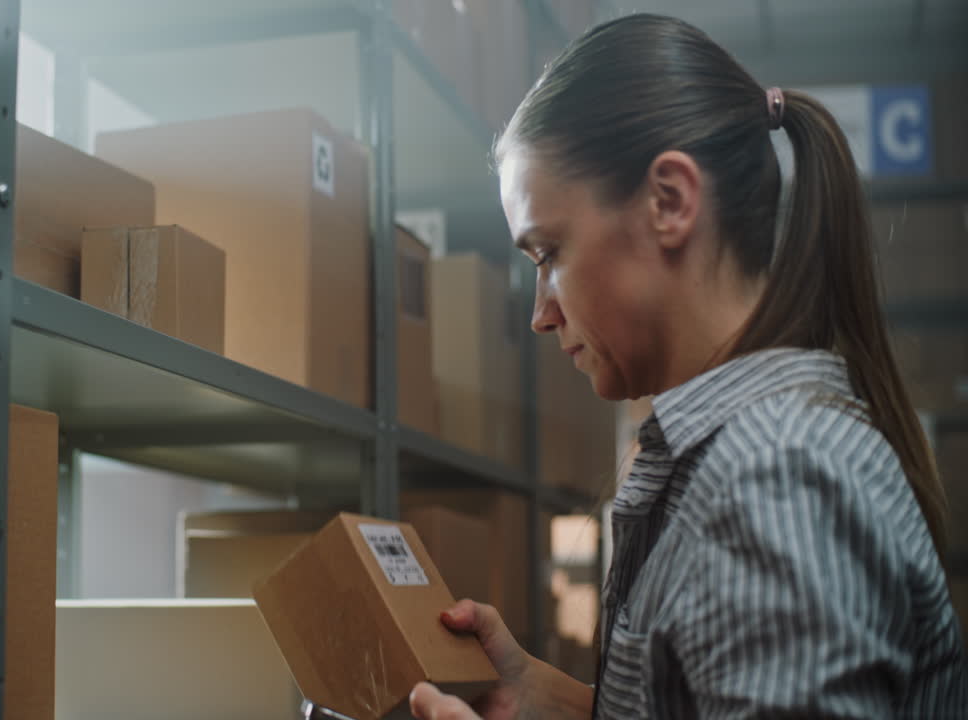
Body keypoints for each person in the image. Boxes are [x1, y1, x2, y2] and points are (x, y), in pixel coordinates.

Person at [408, 13, 967, 720]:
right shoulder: (743, 460)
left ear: (669, 200)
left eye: (549, 254)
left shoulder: (777, 478)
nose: (541, 314)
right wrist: (552, 703)